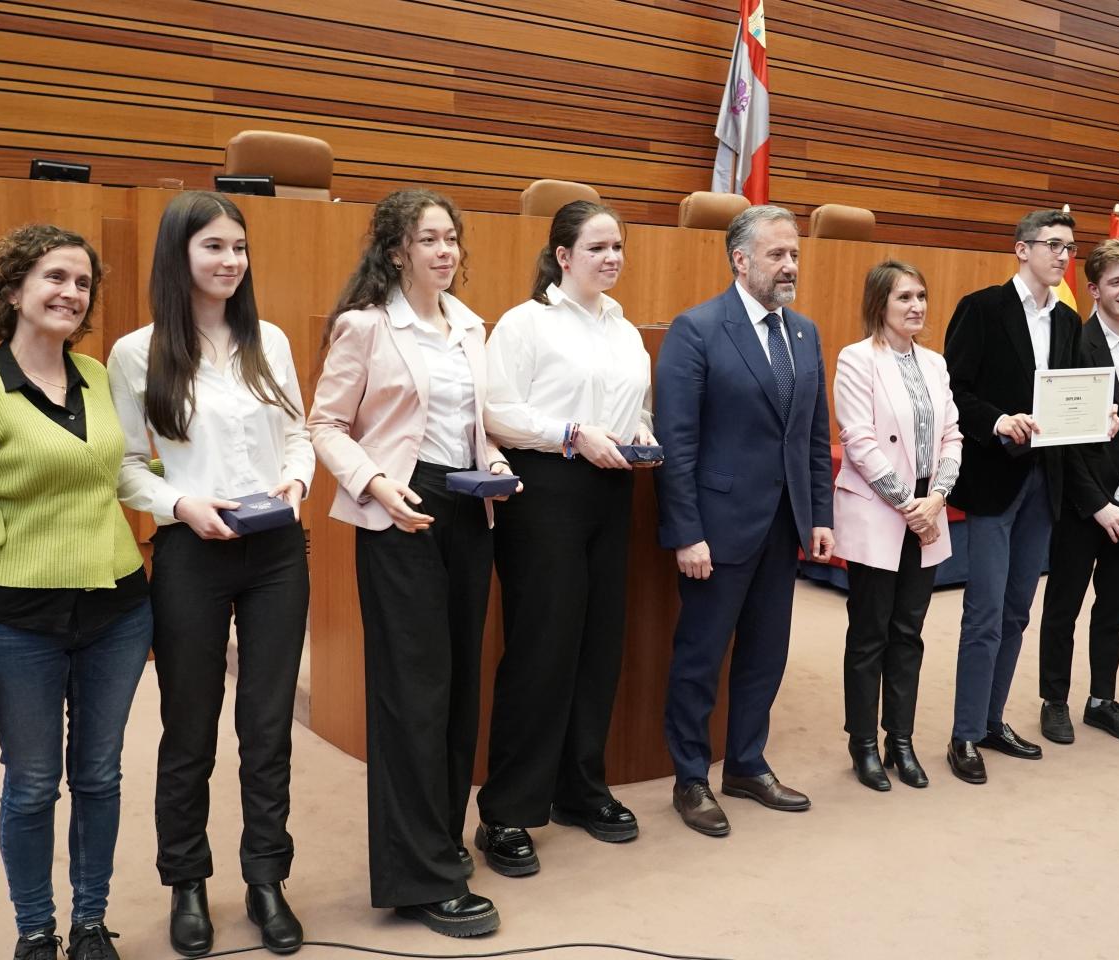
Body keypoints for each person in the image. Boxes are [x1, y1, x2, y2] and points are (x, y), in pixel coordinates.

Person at [0, 225, 151, 960]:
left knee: (99, 774)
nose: (71, 293)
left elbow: (124, 473)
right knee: (31, 784)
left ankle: (90, 923)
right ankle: (36, 930)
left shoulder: (95, 375)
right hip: (19, 620)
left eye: (83, 283)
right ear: (13, 290)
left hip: (118, 609)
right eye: (55, 277)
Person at [107, 191, 313, 956]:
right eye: (213, 249)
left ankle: (266, 878)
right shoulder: (137, 352)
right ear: (178, 256)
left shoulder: (271, 341)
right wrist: (182, 502)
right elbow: (126, 466)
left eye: (239, 248)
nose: (230, 262)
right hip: (192, 551)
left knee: (266, 730)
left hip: (276, 553)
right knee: (188, 730)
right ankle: (186, 882)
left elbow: (299, 436)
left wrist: (294, 484)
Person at [308, 188, 515, 938]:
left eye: (452, 238)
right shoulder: (365, 327)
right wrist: (371, 483)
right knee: (412, 697)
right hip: (398, 510)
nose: (446, 250)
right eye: (429, 239)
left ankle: (440, 847)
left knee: (459, 688)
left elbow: (474, 424)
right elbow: (325, 423)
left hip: (469, 508)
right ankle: (417, 878)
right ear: (397, 251)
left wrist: (493, 461)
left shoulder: (469, 324)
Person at [472, 200, 654, 875]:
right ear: (563, 256)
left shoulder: (624, 329)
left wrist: (639, 432)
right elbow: (496, 411)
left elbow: (632, 405)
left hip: (611, 492)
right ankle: (507, 812)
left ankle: (581, 787)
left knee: (598, 646)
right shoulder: (525, 325)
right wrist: (571, 433)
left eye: (618, 247)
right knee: (542, 648)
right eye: (599, 247)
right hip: (544, 491)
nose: (612, 258)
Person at [655, 204, 834, 836]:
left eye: (795, 255)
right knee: (701, 656)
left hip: (784, 526)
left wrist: (819, 514)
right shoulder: (697, 329)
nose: (790, 266)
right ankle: (691, 777)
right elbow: (676, 441)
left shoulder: (806, 333)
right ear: (741, 259)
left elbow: (814, 436)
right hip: (717, 527)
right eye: (778, 255)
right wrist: (686, 531)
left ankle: (747, 763)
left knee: (767, 652)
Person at [940, 209, 1081, 783]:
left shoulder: (1070, 322)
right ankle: (965, 733)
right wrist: (998, 420)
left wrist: (1102, 419)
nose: (1063, 255)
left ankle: (993, 721)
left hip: (1045, 483)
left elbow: (1074, 396)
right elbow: (954, 389)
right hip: (996, 478)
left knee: (1019, 610)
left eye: (1070, 247)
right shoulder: (981, 308)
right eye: (1053, 245)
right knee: (985, 612)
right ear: (1022, 250)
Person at [831, 260, 961, 791]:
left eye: (921, 296)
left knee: (909, 633)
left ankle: (899, 740)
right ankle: (862, 743)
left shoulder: (935, 363)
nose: (917, 306)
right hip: (881, 510)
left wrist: (937, 501)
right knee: (869, 634)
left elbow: (953, 433)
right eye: (904, 297)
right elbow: (858, 440)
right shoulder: (857, 359)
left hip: (927, 510)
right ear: (879, 305)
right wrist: (910, 505)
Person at [1036, 238, 1119, 746]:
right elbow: (1062, 439)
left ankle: (1101, 701)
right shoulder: (1073, 343)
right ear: (1093, 289)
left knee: (1116, 605)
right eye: (1116, 281)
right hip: (1082, 505)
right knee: (1064, 606)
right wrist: (1096, 505)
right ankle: (1054, 700)